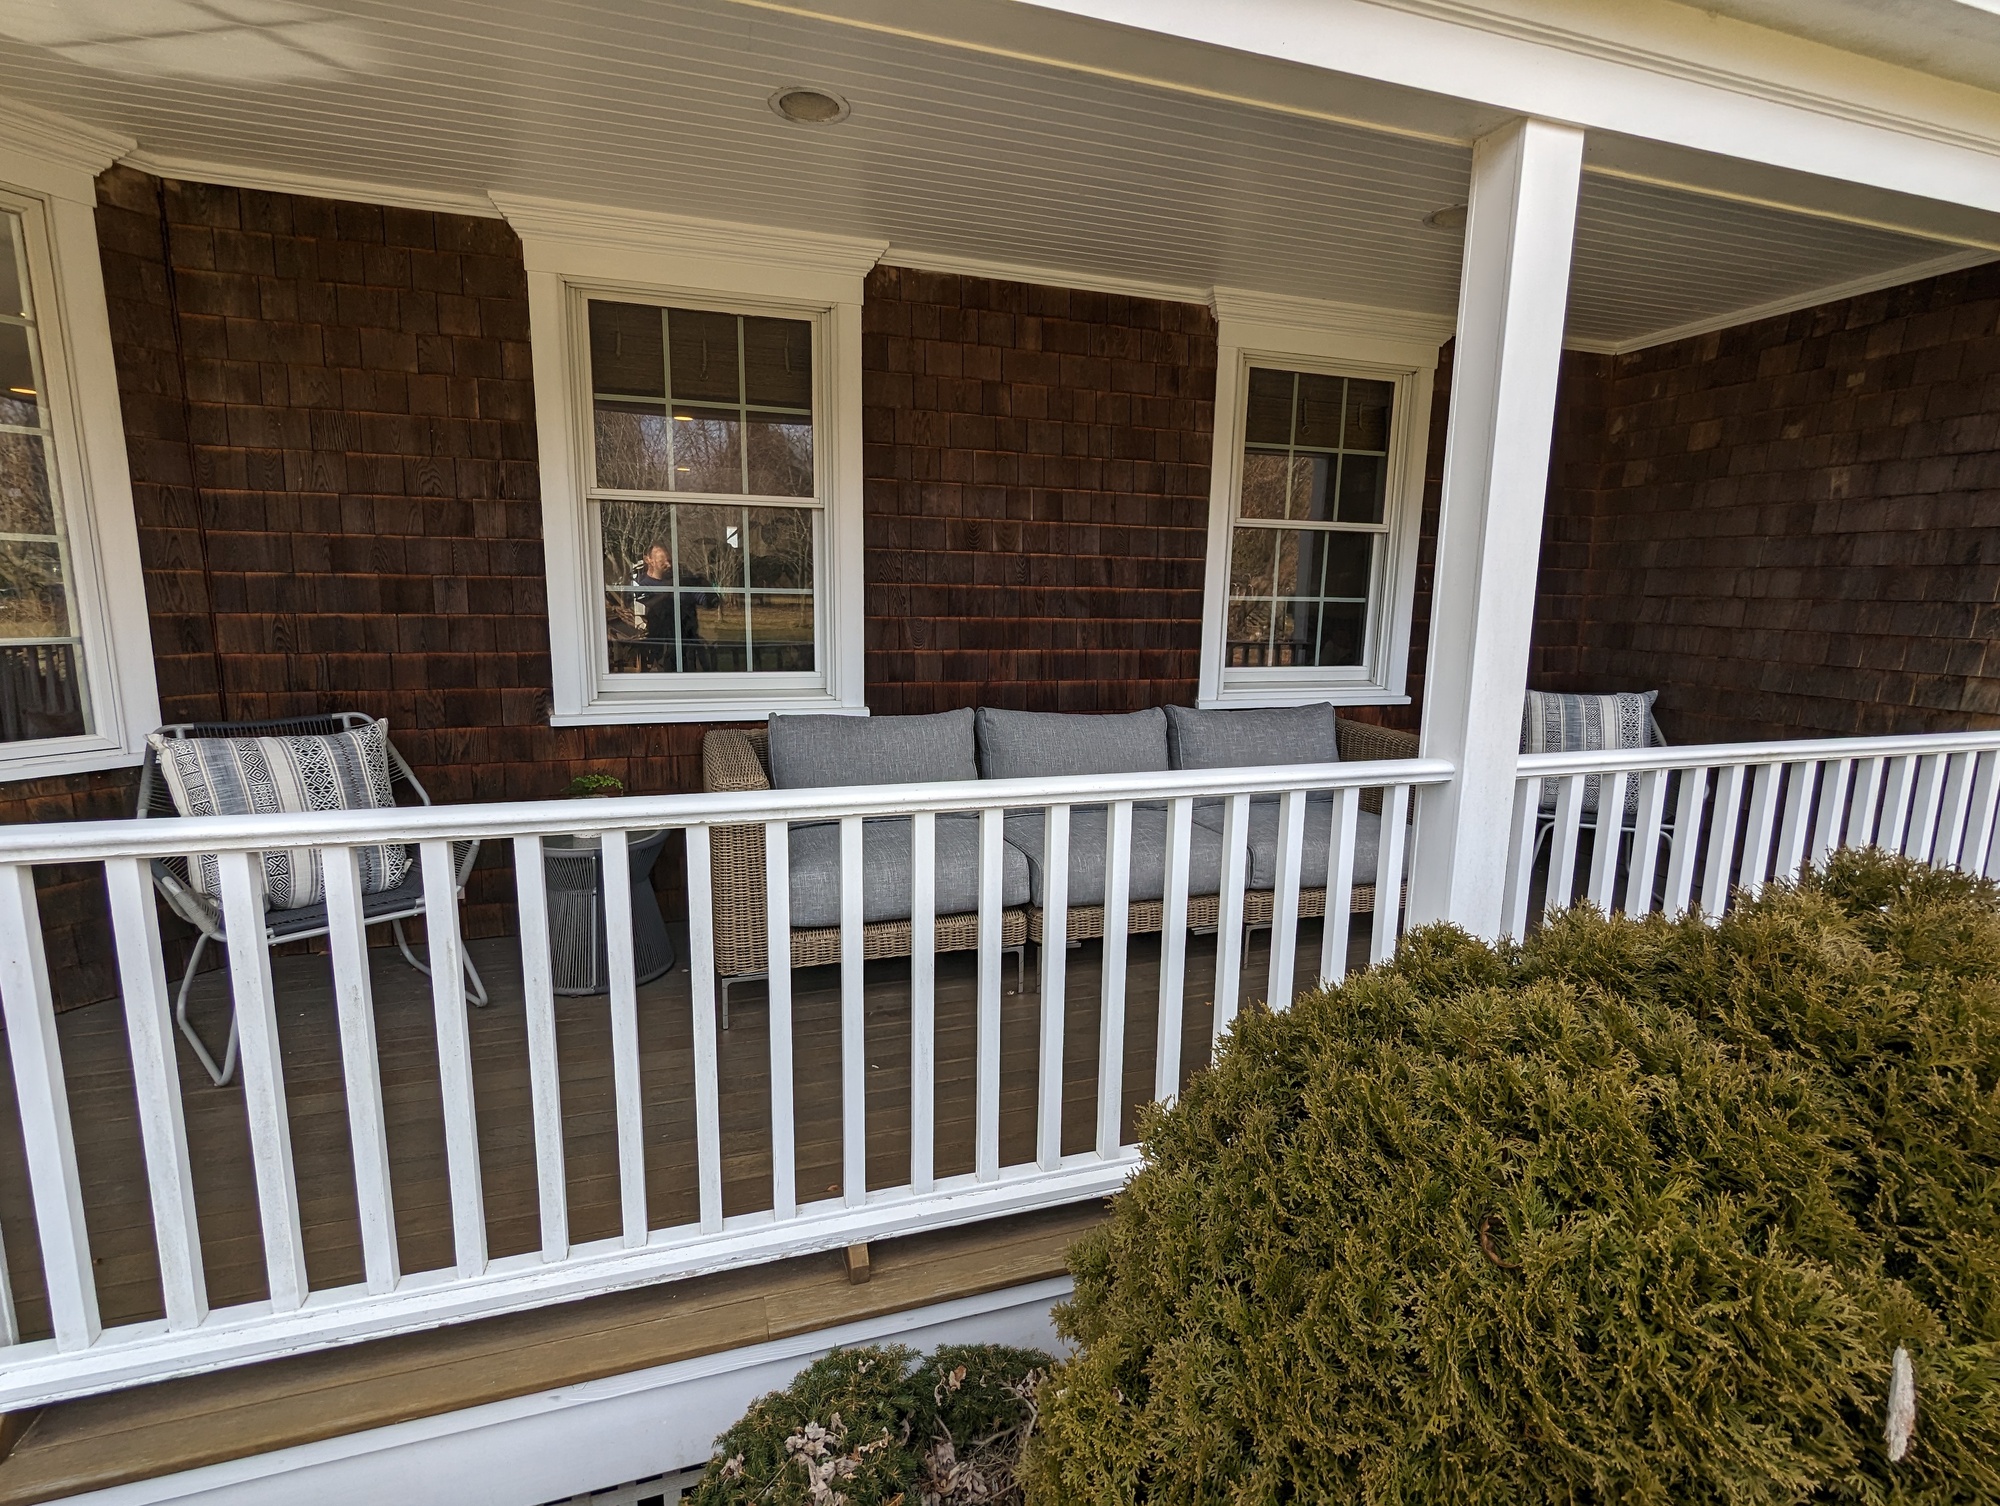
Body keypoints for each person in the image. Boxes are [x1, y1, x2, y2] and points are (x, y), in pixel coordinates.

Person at [630, 542, 721, 671]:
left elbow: (710, 602)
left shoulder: (681, 584)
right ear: (648, 560)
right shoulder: (642, 587)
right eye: (663, 562)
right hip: (661, 651)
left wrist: (705, 587)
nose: (669, 565)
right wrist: (669, 591)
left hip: (689, 649)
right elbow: (646, 604)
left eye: (670, 561)